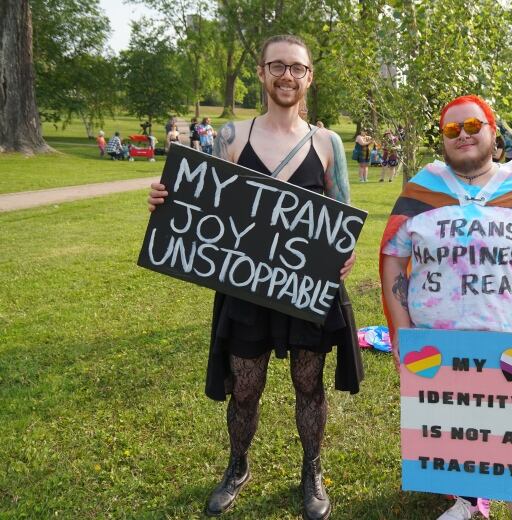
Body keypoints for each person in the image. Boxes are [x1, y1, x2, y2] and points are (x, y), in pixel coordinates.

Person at [147, 34, 362, 519]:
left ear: (310, 78)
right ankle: (237, 466)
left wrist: (345, 254)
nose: (288, 76)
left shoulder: (327, 143)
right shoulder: (232, 137)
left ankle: (312, 471)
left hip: (305, 288)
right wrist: (165, 200)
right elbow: (199, 200)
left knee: (309, 384)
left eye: (298, 68)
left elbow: (342, 215)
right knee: (245, 387)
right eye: (278, 66)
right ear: (262, 73)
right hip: (246, 287)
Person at [380, 94, 512, 520]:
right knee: (453, 436)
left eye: (472, 126)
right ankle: (467, 503)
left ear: (493, 132)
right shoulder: (421, 190)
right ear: (442, 140)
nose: (463, 136)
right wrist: (402, 330)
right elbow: (392, 254)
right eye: (452, 130)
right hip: (439, 345)